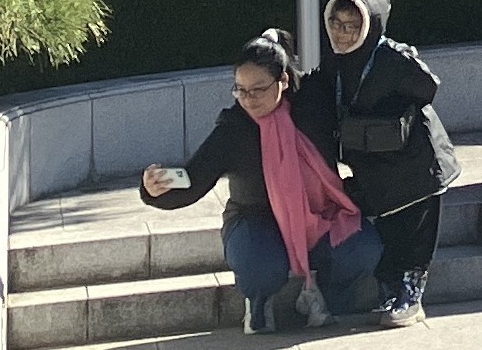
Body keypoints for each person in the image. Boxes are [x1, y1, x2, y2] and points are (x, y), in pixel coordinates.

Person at [140, 33, 382, 333]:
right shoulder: (234, 128)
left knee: (363, 249)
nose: (248, 99)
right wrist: (153, 191)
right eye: (240, 90)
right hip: (254, 220)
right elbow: (194, 179)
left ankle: (324, 297)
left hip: (320, 215)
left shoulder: (313, 105)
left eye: (258, 90)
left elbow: (348, 58)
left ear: (282, 81)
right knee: (260, 268)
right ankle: (257, 303)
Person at [304, 0, 459, 327]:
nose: (343, 34)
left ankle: (410, 293)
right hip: (375, 166)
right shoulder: (336, 63)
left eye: (352, 25)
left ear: (371, 25)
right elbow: (317, 88)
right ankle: (390, 288)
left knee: (416, 232)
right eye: (336, 24)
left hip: (416, 166)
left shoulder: (392, 58)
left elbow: (427, 87)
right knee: (389, 232)